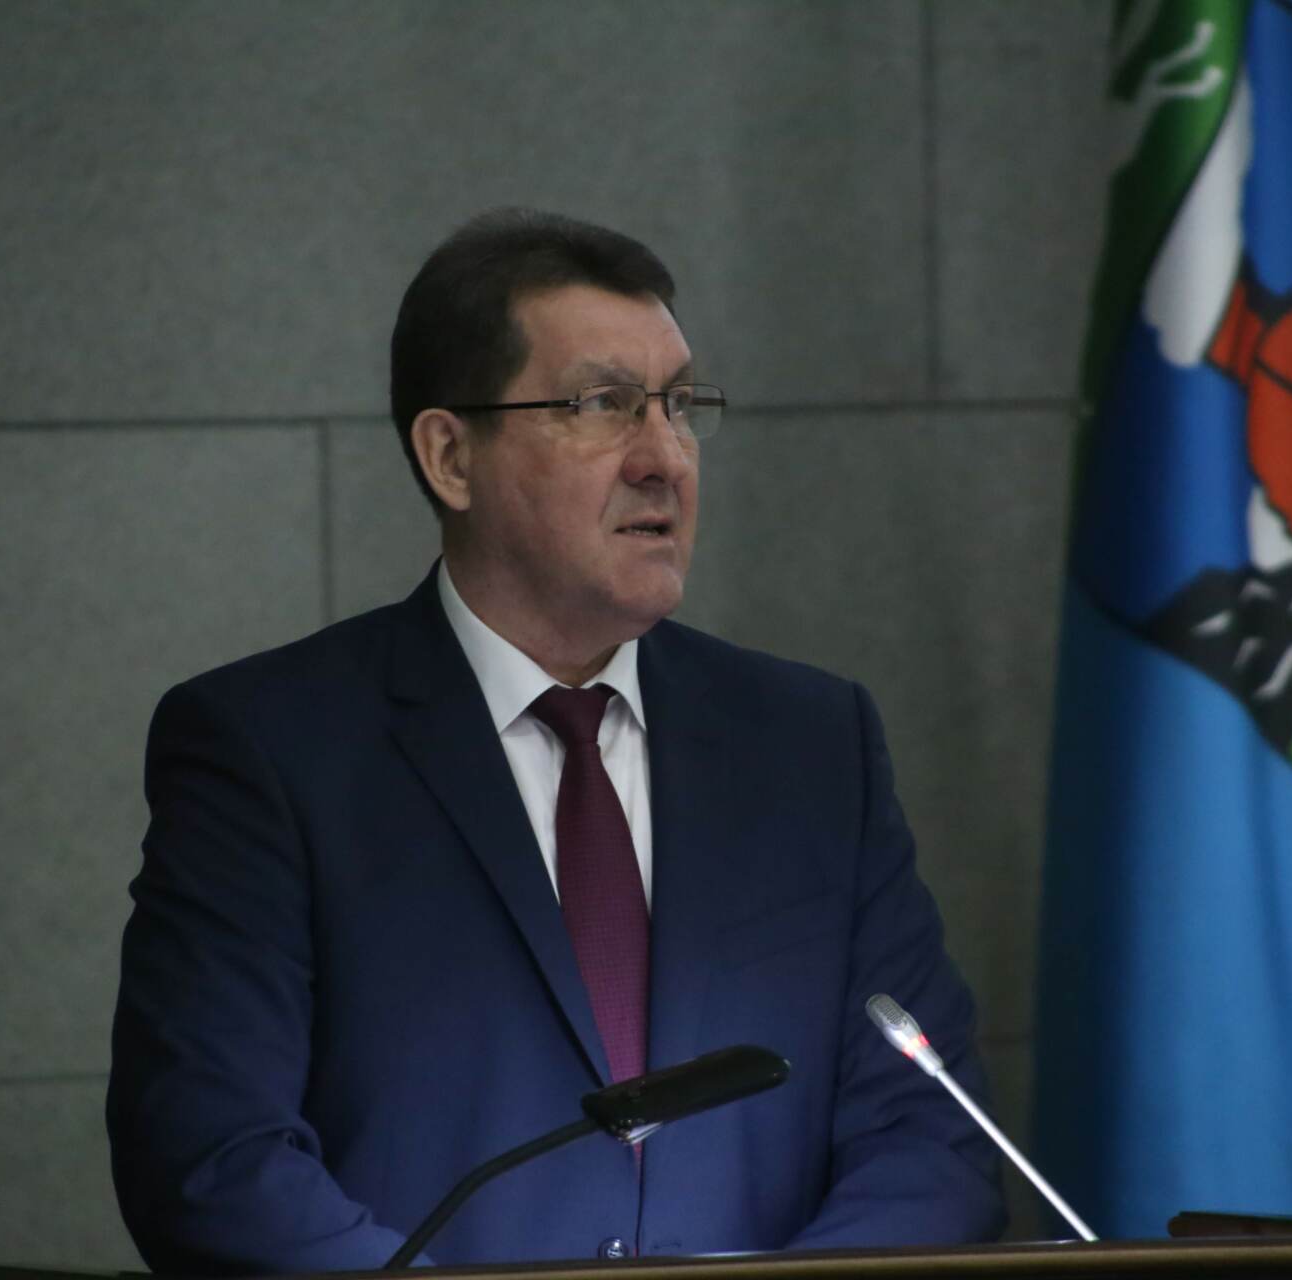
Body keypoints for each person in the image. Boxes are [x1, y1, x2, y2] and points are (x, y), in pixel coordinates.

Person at [107, 208, 1006, 1274]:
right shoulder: (269, 748)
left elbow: (932, 1136)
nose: (664, 458)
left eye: (679, 406)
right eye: (603, 405)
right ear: (451, 456)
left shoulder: (811, 745)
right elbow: (215, 1159)